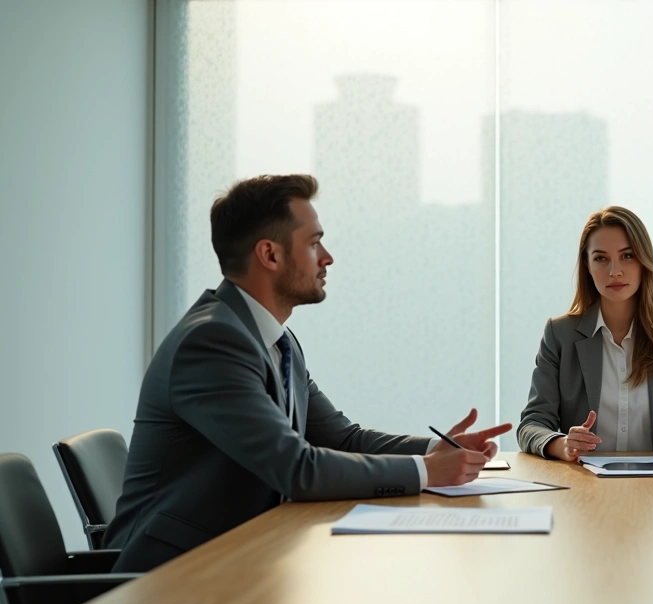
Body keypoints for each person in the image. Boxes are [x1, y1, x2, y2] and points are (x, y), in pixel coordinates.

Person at [105, 174, 510, 572]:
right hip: (171, 577)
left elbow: (341, 437)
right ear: (270, 254)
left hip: (242, 557)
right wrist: (425, 473)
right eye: (314, 243)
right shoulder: (211, 342)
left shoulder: (275, 341)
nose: (328, 257)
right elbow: (296, 468)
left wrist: (433, 450)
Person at [517, 206, 653, 462]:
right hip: (585, 488)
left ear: (644, 260)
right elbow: (531, 425)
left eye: (627, 256)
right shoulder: (560, 334)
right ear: (587, 265)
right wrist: (564, 444)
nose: (615, 271)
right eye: (601, 258)